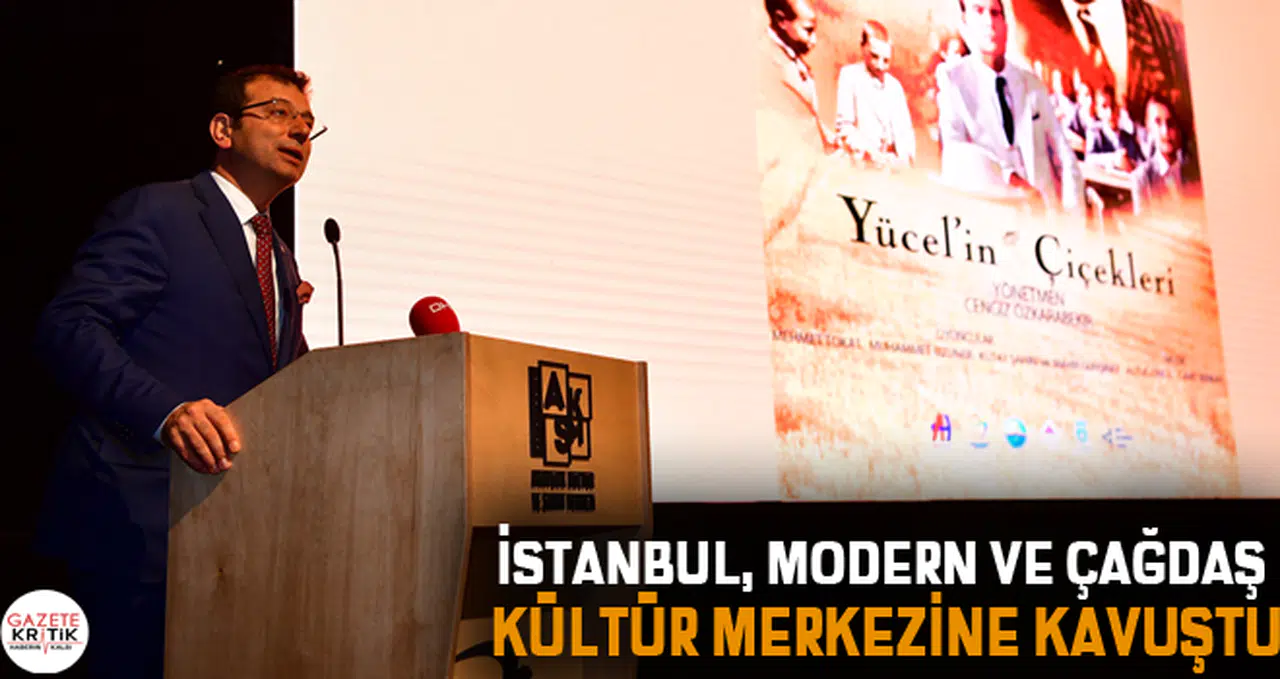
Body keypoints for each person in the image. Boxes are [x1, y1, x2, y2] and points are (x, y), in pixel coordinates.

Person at [32, 64, 321, 678]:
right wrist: (166, 411)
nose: (298, 130)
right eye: (278, 112)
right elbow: (70, 327)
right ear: (223, 129)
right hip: (134, 527)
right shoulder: (160, 211)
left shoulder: (279, 255)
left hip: (231, 535)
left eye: (307, 122)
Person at [936, 0, 1084, 212]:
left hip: (1045, 219)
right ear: (965, 23)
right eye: (979, 11)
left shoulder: (1031, 84)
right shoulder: (953, 80)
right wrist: (1010, 177)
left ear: (1006, 25)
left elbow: (1065, 157)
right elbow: (954, 152)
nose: (989, 22)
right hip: (994, 216)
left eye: (995, 13)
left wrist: (1072, 219)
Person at [834, 20, 917, 169]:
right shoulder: (850, 76)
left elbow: (906, 131)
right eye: (874, 56)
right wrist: (871, 153)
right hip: (863, 166)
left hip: (894, 169)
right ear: (863, 47)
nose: (880, 66)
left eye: (886, 60)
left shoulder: (895, 86)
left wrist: (904, 158)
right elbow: (844, 127)